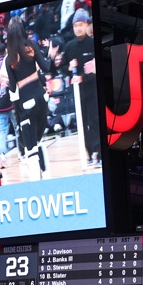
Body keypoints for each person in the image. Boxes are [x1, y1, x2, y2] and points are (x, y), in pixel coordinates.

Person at [4, 17, 50, 182]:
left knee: (31, 147)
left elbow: (13, 88)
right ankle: (46, 172)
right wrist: (50, 52)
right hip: (40, 98)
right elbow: (46, 67)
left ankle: (37, 178)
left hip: (25, 103)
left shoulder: (9, 57)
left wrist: (8, 83)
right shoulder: (31, 45)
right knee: (38, 139)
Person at [63, 8, 100, 167]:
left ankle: (98, 152)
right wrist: (69, 69)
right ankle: (90, 153)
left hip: (92, 91)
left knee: (95, 120)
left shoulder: (92, 44)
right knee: (83, 124)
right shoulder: (69, 46)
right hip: (78, 94)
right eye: (75, 25)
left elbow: (95, 70)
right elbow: (63, 67)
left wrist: (83, 77)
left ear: (87, 25)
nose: (78, 28)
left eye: (81, 24)